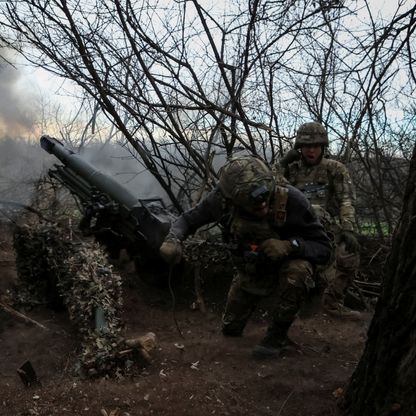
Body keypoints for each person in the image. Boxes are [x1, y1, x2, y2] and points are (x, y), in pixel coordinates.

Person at [159, 155, 331, 358]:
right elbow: (188, 220)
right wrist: (172, 240)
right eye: (253, 203)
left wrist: (290, 246)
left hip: (288, 265)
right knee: (230, 330)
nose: (262, 205)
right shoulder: (221, 200)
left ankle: (276, 337)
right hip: (252, 269)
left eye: (265, 199)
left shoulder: (292, 200)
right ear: (233, 199)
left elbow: (323, 248)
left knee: (298, 272)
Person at [279, 121, 361, 319]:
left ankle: (332, 303)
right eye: (306, 146)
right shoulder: (290, 169)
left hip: (325, 229)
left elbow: (346, 199)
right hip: (293, 228)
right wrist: (281, 164)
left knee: (349, 256)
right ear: (299, 148)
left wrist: (348, 228)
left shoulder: (335, 169)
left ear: (323, 146)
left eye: (315, 146)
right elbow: (269, 185)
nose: (311, 150)